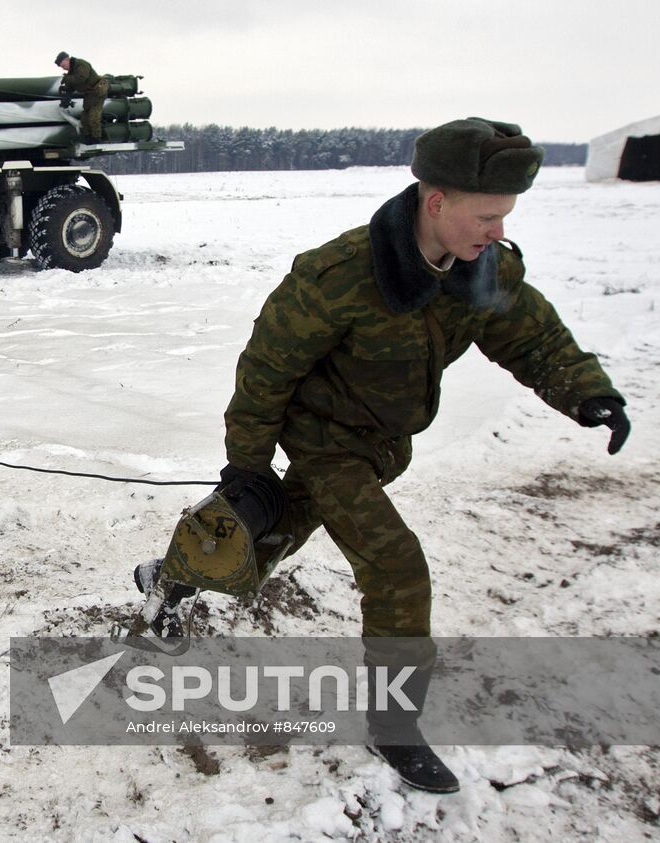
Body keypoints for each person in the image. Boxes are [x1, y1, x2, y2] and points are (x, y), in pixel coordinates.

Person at [210, 118, 627, 793]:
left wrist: (588, 394)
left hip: (381, 443)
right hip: (325, 439)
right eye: (486, 216)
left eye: (504, 216)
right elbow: (266, 370)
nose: (497, 230)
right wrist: (247, 466)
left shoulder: (482, 269)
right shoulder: (340, 275)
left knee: (272, 533)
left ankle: (175, 578)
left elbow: (531, 336)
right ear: (437, 202)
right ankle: (394, 725)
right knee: (397, 568)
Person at [54, 51, 109, 144]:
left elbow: (81, 78)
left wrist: (67, 79)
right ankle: (88, 138)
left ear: (67, 59)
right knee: (84, 119)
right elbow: (71, 87)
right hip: (89, 95)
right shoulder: (71, 72)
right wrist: (65, 96)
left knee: (93, 117)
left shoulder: (81, 64)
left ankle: (97, 140)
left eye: (64, 65)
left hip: (98, 92)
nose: (64, 68)